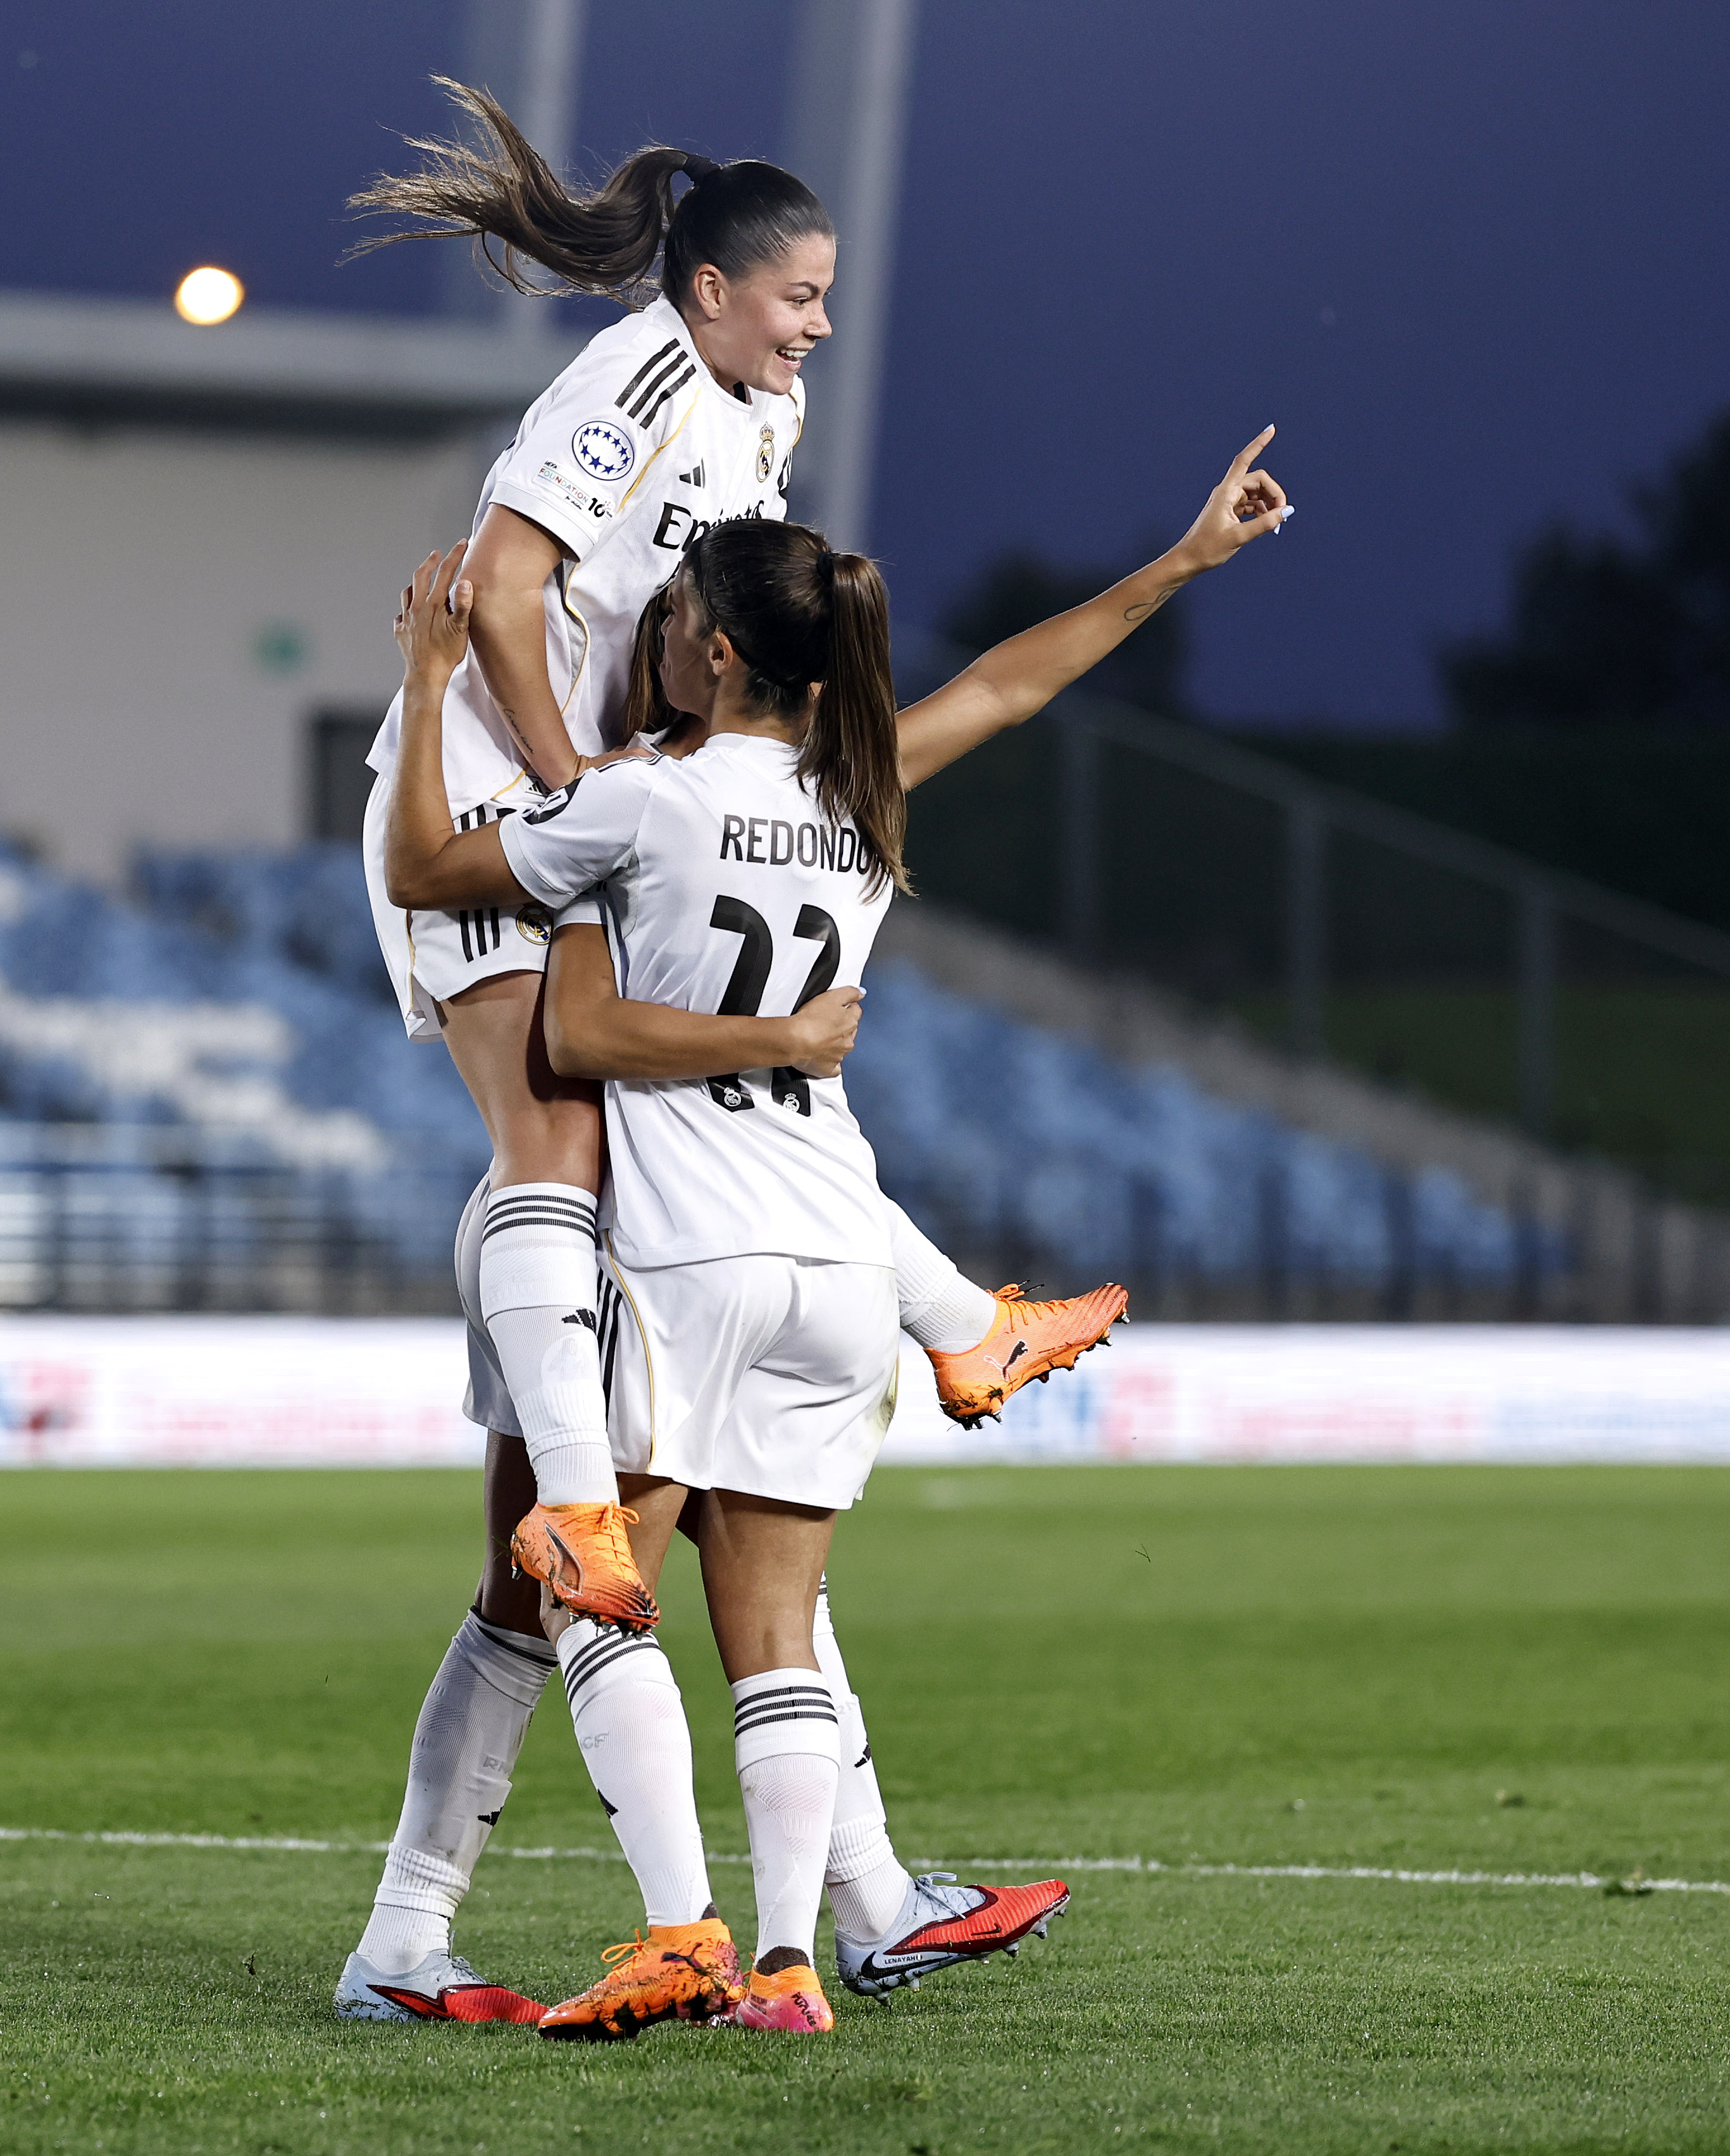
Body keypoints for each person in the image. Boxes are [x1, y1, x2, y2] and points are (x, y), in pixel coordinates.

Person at [334, 82, 1122, 2021]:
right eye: (798, 295)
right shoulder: (630, 370)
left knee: (612, 1557)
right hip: (483, 802)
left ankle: (823, 1905)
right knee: (561, 1149)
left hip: (607, 822)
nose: (819, 327)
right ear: (707, 285)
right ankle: (789, 1896)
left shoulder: (759, 423)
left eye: (830, 298)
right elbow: (511, 588)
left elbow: (749, 633)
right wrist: (581, 778)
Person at [396, 437, 1293, 2031]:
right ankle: (802, 1961)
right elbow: (1011, 691)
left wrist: (429, 674)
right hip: (844, 1261)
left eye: (674, 612)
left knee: (595, 1582)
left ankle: (682, 1929)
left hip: (689, 1257)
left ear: (718, 647)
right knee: (782, 1638)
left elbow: (441, 886)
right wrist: (1181, 564)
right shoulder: (855, 797)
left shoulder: (641, 803)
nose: (657, 630)